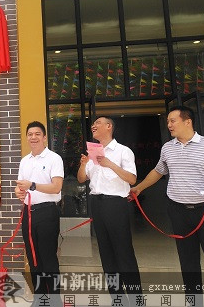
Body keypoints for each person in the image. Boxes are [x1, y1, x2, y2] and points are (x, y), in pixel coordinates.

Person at [131, 106, 204, 306]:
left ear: (188, 122)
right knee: (187, 260)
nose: (168, 125)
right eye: (168, 121)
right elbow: (158, 171)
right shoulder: (168, 148)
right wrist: (139, 188)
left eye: (172, 120)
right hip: (178, 210)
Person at [77, 116, 142, 304]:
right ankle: (118, 299)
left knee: (124, 253)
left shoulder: (123, 151)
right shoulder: (92, 151)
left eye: (98, 123)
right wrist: (83, 164)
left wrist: (110, 164)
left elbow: (132, 179)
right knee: (106, 254)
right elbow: (82, 179)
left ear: (109, 126)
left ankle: (137, 299)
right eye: (93, 124)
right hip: (97, 204)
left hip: (116, 205)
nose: (93, 126)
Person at [15, 121, 64, 307]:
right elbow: (21, 186)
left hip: (47, 212)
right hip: (28, 213)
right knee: (33, 258)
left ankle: (55, 301)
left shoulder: (54, 158)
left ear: (44, 137)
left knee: (48, 259)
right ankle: (39, 299)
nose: (33, 137)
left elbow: (56, 187)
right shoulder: (24, 160)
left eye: (37, 134)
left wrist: (32, 185)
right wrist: (18, 192)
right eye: (30, 134)